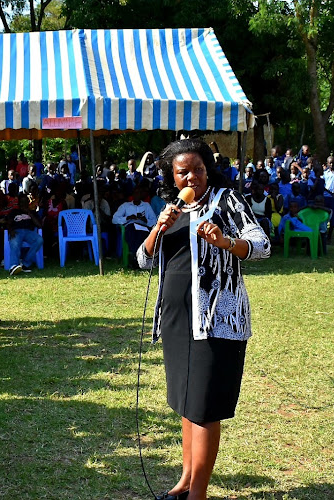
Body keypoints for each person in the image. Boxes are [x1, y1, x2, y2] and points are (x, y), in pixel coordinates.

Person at [138, 139, 270, 500]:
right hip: (177, 321)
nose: (192, 177)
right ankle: (184, 481)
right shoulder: (171, 209)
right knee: (185, 403)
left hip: (217, 319)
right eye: (183, 172)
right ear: (172, 176)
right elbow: (144, 260)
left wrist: (226, 242)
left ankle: (198, 493)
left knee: (205, 405)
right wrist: (158, 228)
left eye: (198, 168)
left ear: (208, 169)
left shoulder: (226, 200)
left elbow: (261, 244)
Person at [112, 184, 157, 266]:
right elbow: (114, 219)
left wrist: (145, 220)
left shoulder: (146, 206)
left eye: (139, 193)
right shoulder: (126, 206)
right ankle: (136, 257)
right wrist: (127, 218)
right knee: (132, 232)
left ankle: (138, 258)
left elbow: (154, 221)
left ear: (141, 195)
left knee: (142, 235)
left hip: (143, 227)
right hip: (130, 227)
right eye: (135, 193)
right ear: (132, 195)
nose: (137, 195)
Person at [4, 195, 44, 275]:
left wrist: (29, 213)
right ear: (18, 203)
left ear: (28, 203)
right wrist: (11, 230)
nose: (23, 204)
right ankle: (14, 266)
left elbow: (39, 225)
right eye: (21, 202)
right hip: (17, 231)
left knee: (39, 240)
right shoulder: (14, 212)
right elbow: (8, 223)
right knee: (15, 242)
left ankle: (25, 264)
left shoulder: (32, 212)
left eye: (25, 202)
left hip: (29, 232)